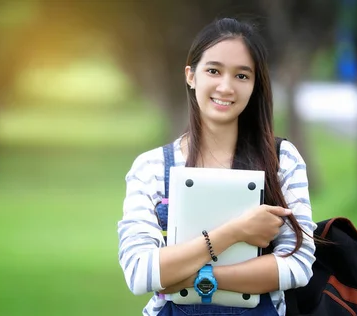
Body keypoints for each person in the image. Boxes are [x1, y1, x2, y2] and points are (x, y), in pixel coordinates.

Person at [117, 17, 317, 316]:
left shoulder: (282, 159)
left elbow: (298, 266)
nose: (225, 87)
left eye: (241, 76)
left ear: (255, 85)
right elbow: (140, 273)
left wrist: (194, 279)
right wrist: (236, 231)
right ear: (191, 75)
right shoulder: (151, 168)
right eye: (213, 71)